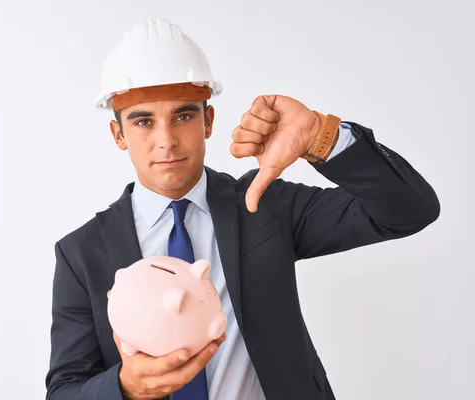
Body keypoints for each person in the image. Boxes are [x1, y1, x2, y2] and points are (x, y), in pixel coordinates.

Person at [44, 19, 440, 400]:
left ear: (208, 120)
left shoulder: (266, 204)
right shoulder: (81, 253)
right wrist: (126, 387)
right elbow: (64, 390)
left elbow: (409, 210)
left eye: (183, 115)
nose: (166, 140)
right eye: (143, 121)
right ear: (118, 135)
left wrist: (322, 135)